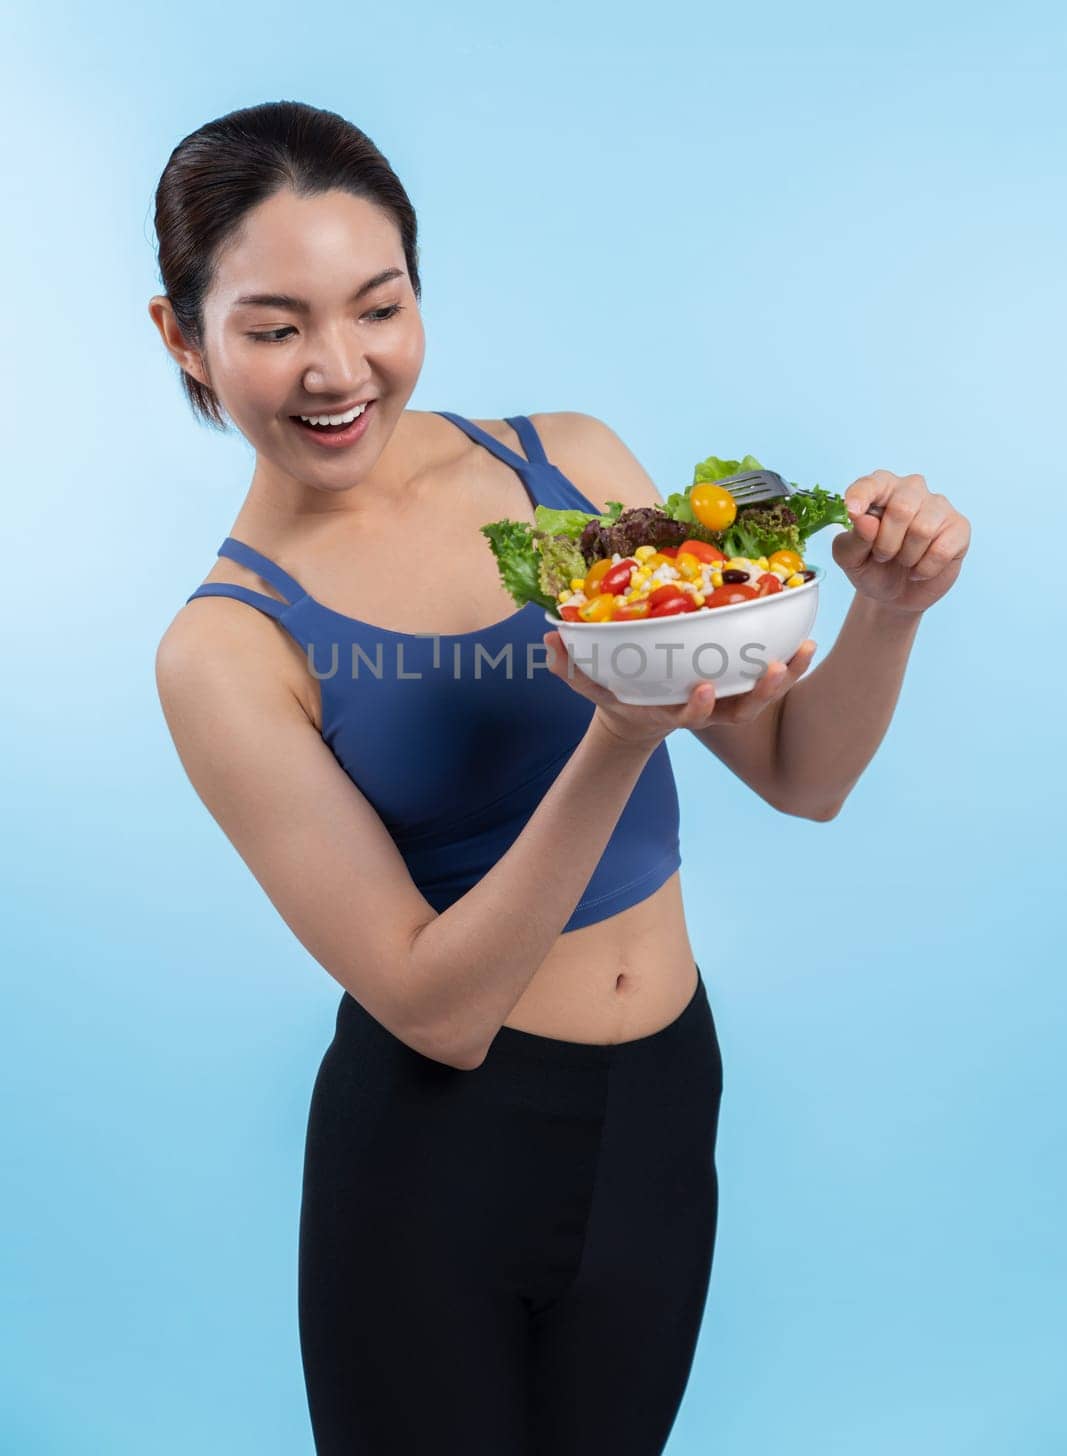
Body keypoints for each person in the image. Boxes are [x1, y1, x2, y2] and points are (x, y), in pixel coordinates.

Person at [148, 100, 971, 1455]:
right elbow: (434, 1008)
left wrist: (889, 610)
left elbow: (798, 773)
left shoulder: (568, 467)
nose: (337, 366)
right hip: (434, 1157)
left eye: (378, 306)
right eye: (273, 325)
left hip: (663, 1103)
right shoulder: (226, 649)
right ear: (183, 336)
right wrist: (617, 737)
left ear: (420, 291)